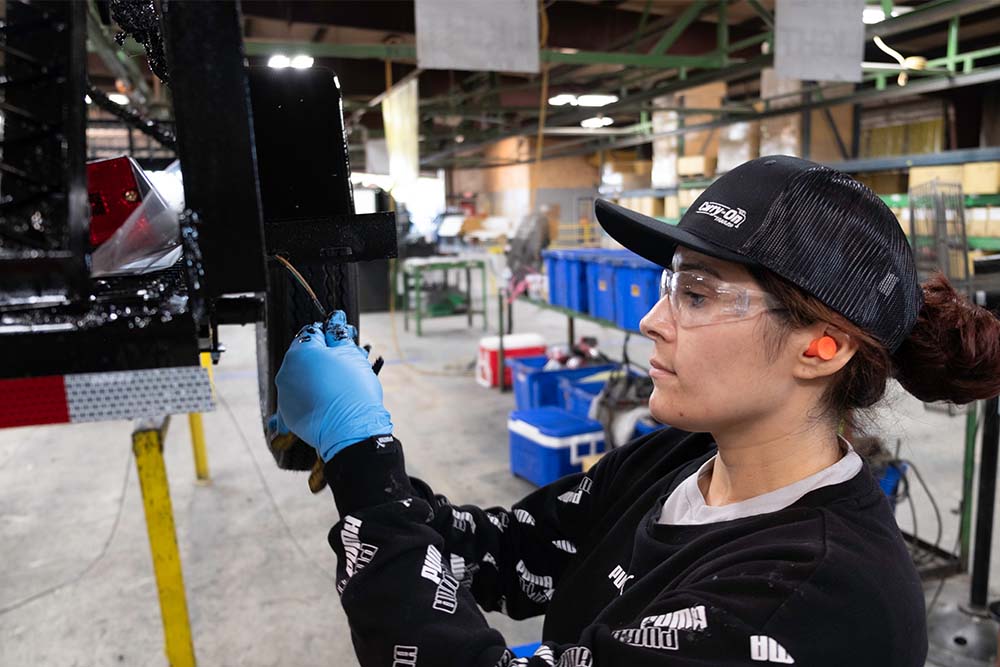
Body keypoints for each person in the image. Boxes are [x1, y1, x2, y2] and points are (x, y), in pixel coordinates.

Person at [274, 155, 1000, 666]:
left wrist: (360, 458)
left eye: (699, 292)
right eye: (667, 284)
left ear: (822, 346)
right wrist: (367, 451)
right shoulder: (684, 456)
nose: (652, 320)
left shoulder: (812, 598)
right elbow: (515, 550)